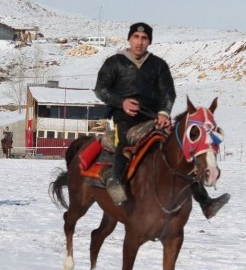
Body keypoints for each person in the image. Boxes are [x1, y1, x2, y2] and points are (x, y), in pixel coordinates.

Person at [94, 22, 229, 218]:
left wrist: (164, 113)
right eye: (136, 38)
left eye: (144, 38)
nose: (139, 43)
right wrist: (122, 102)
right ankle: (117, 182)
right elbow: (101, 89)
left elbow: (168, 93)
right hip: (125, 117)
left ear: (149, 41)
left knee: (179, 149)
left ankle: (205, 201)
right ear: (129, 39)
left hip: (153, 118)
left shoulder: (158, 65)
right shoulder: (114, 63)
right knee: (124, 142)